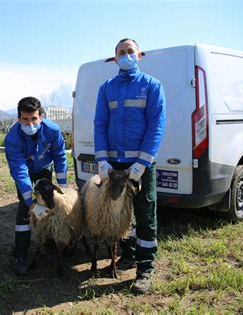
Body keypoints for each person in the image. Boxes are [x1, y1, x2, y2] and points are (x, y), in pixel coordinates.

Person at [94, 38, 166, 294]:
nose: (126, 56)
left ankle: (145, 269)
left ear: (139, 55)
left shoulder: (152, 86)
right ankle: (127, 256)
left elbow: (156, 126)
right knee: (118, 216)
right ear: (115, 59)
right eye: (121, 53)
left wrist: (142, 164)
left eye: (130, 51)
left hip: (141, 167)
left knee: (145, 215)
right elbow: (100, 125)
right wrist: (102, 160)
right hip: (115, 166)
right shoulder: (106, 88)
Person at [4, 96, 68, 276]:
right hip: (25, 173)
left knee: (49, 206)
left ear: (40, 116)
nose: (30, 123)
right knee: (25, 210)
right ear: (19, 119)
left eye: (33, 119)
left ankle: (48, 246)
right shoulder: (12, 138)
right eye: (25, 119)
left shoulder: (52, 130)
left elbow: (60, 156)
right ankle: (20, 254)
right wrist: (30, 199)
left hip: (43, 170)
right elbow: (19, 170)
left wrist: (63, 185)